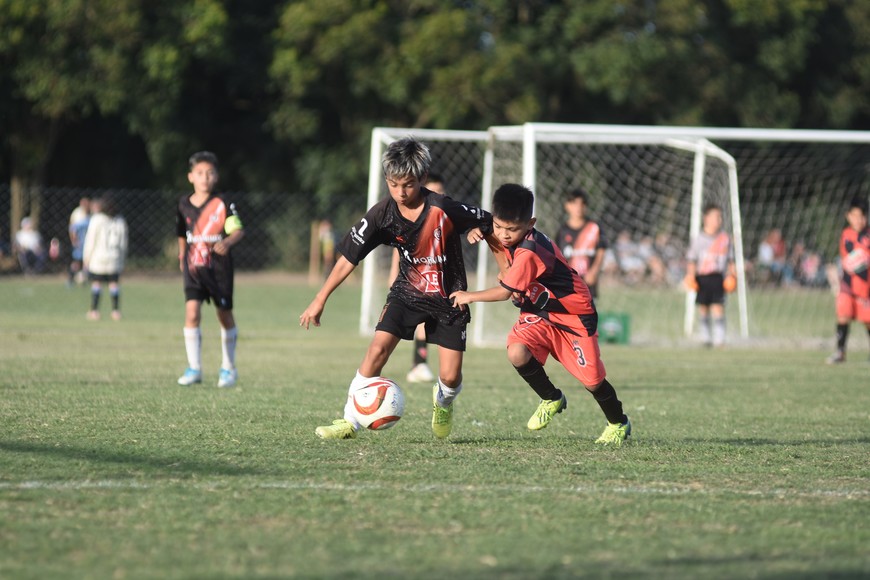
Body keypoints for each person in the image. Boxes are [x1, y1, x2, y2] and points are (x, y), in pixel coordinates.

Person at [300, 138, 504, 440]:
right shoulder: (382, 213)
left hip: (449, 298)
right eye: (393, 184)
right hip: (406, 293)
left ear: (422, 179)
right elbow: (348, 258)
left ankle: (444, 402)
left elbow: (490, 223)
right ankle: (349, 420)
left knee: (449, 377)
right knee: (376, 349)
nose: (400, 192)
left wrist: (480, 233)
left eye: (407, 185)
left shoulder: (442, 208)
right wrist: (320, 298)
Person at [449, 184, 631, 446]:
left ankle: (618, 423)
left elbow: (504, 293)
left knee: (593, 381)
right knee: (516, 351)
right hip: (540, 311)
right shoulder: (501, 228)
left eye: (512, 230)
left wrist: (468, 296)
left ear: (530, 223)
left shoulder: (530, 251)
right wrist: (480, 229)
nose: (504, 235)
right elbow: (491, 227)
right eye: (500, 227)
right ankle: (551, 397)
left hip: (573, 316)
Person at [176, 151, 245, 388]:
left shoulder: (222, 203)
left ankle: (228, 368)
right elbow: (181, 234)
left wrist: (228, 241)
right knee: (192, 313)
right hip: (193, 268)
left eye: (210, 173)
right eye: (200, 173)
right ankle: (194, 368)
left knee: (223, 315)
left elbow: (237, 230)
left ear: (216, 176)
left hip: (219, 269)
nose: (205, 177)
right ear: (190, 177)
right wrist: (181, 255)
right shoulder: (183, 204)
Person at [388, 173, 447, 384]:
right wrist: (394, 275)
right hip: (416, 278)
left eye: (440, 190)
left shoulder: (446, 216)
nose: (437, 194)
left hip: (441, 280)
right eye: (433, 190)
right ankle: (418, 364)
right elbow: (401, 247)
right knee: (422, 319)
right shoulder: (415, 215)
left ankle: (426, 367)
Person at [684, 203, 737, 347]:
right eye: (715, 217)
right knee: (703, 308)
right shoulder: (699, 239)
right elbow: (692, 260)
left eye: (720, 217)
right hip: (702, 278)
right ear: (706, 218)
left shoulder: (725, 239)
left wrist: (733, 276)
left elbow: (731, 260)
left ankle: (720, 339)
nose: (718, 220)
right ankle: (705, 338)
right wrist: (691, 276)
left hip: (718, 277)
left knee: (718, 307)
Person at [826, 197, 870, 364]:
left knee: (868, 321)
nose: (858, 219)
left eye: (862, 216)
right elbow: (848, 259)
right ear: (848, 216)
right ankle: (840, 352)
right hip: (847, 284)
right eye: (855, 215)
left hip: (866, 287)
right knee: (843, 315)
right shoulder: (846, 235)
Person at [83, 195, 128, 321]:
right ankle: (115, 311)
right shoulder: (120, 220)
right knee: (114, 284)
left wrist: (86, 257)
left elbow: (91, 240)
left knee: (97, 283)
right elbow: (123, 243)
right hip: (114, 257)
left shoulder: (97, 219)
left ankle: (94, 311)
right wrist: (122, 258)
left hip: (99, 258)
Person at [556, 188, 607, 297]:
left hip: (589, 284)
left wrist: (594, 271)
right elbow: (558, 257)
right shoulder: (562, 231)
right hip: (569, 284)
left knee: (590, 310)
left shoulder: (594, 228)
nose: (578, 207)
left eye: (582, 203)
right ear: (567, 205)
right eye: (574, 203)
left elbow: (601, 250)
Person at [68, 197, 91, 286]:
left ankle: (85, 279)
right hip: (80, 244)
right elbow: (73, 229)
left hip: (88, 244)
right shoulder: (78, 216)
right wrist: (74, 240)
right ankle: (70, 279)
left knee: (87, 262)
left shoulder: (90, 217)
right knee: (76, 262)